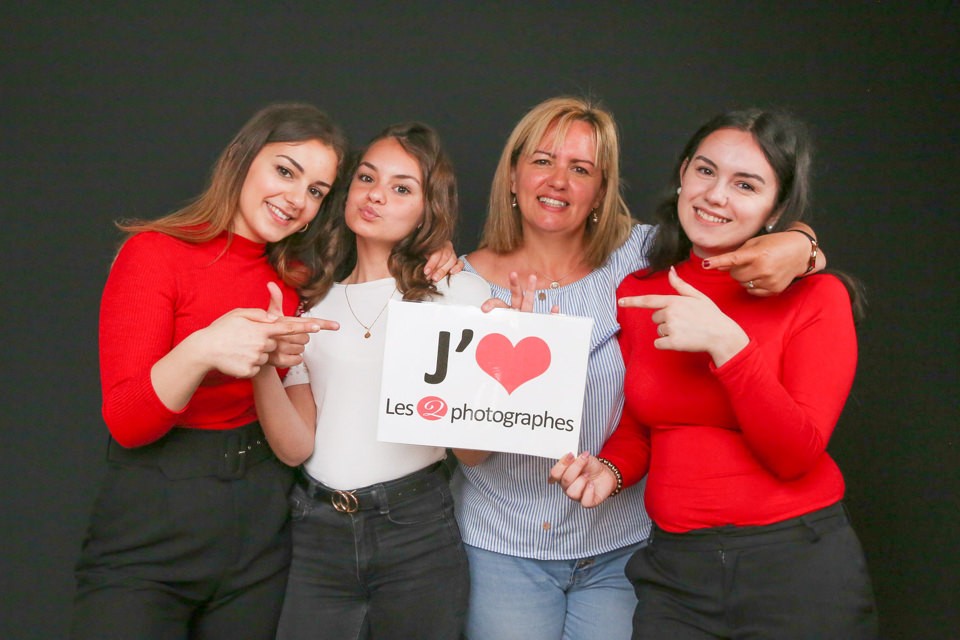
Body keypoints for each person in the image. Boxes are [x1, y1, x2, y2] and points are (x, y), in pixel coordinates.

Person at [71, 104, 458, 640]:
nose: (297, 199)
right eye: (285, 171)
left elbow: (380, 253)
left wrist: (437, 249)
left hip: (263, 527)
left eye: (318, 190)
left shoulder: (299, 281)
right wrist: (205, 347)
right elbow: (128, 423)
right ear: (241, 159)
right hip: (154, 519)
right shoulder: (154, 254)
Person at [451, 96, 827, 640]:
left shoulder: (649, 259)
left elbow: (750, 243)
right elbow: (467, 453)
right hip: (502, 548)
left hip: (621, 548)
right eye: (542, 160)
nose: (558, 180)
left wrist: (802, 242)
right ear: (512, 175)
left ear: (601, 190)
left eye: (581, 169)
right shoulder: (456, 286)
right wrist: (499, 358)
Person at [550, 108, 877, 639]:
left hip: (795, 567)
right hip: (675, 572)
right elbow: (644, 418)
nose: (716, 195)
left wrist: (728, 345)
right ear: (682, 175)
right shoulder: (640, 288)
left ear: (776, 210)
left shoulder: (818, 296)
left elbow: (796, 455)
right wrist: (609, 470)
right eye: (705, 171)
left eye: (745, 184)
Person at [251, 122, 490, 639]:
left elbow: (474, 455)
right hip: (317, 533)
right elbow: (296, 448)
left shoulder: (459, 295)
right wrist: (264, 364)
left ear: (429, 209)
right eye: (366, 178)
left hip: (416, 531)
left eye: (402, 188)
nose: (376, 195)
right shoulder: (311, 306)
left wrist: (494, 353)